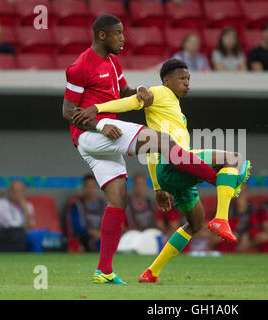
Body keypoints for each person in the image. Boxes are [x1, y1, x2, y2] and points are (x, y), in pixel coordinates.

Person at [62, 14, 228, 285]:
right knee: (162, 140)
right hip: (91, 134)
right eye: (118, 33)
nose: (123, 38)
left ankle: (104, 271)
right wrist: (99, 127)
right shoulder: (79, 67)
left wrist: (140, 90)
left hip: (106, 137)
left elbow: (125, 92)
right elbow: (68, 111)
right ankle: (216, 178)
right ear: (102, 35)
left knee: (118, 202)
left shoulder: (114, 62)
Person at [209, 184, 253, 252]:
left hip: (246, 234)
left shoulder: (251, 208)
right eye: (239, 192)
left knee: (245, 238)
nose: (241, 195)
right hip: (229, 233)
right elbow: (217, 222)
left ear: (247, 193)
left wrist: (244, 234)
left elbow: (255, 226)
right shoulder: (228, 206)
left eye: (243, 192)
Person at [69, 174, 106, 252]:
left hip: (102, 237)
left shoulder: (104, 205)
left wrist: (101, 234)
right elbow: (77, 228)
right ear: (83, 188)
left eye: (92, 186)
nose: (90, 189)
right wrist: (92, 232)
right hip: (84, 238)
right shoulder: (77, 205)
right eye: (87, 186)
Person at [0, 181, 34, 252]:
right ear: (9, 191)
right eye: (14, 190)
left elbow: (28, 228)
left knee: (25, 235)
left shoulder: (28, 206)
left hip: (20, 234)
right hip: (3, 232)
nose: (17, 193)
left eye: (20, 191)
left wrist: (26, 212)